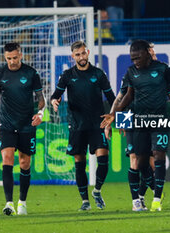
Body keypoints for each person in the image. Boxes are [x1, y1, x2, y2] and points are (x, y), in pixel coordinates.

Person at [101, 39, 170, 211]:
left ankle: (153, 198)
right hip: (134, 120)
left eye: (138, 58)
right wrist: (115, 117)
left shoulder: (162, 69)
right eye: (132, 59)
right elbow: (123, 97)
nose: (135, 62)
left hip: (158, 120)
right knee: (137, 161)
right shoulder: (131, 73)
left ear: (149, 53)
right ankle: (141, 198)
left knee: (157, 157)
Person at [50, 41, 115, 211]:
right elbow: (55, 95)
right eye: (77, 55)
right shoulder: (67, 75)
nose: (81, 57)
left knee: (103, 160)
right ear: (73, 57)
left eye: (83, 54)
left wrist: (113, 115)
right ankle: (85, 201)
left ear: (87, 53)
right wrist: (54, 102)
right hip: (77, 125)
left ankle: (97, 190)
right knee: (80, 162)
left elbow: (112, 98)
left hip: (97, 123)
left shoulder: (99, 74)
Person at [0, 42, 45, 216]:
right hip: (6, 124)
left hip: (26, 124)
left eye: (15, 57)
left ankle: (22, 201)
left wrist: (40, 113)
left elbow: (40, 98)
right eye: (8, 58)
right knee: (7, 158)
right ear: (4, 57)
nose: (12, 61)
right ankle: (9, 203)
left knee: (24, 162)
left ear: (21, 55)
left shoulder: (31, 73)